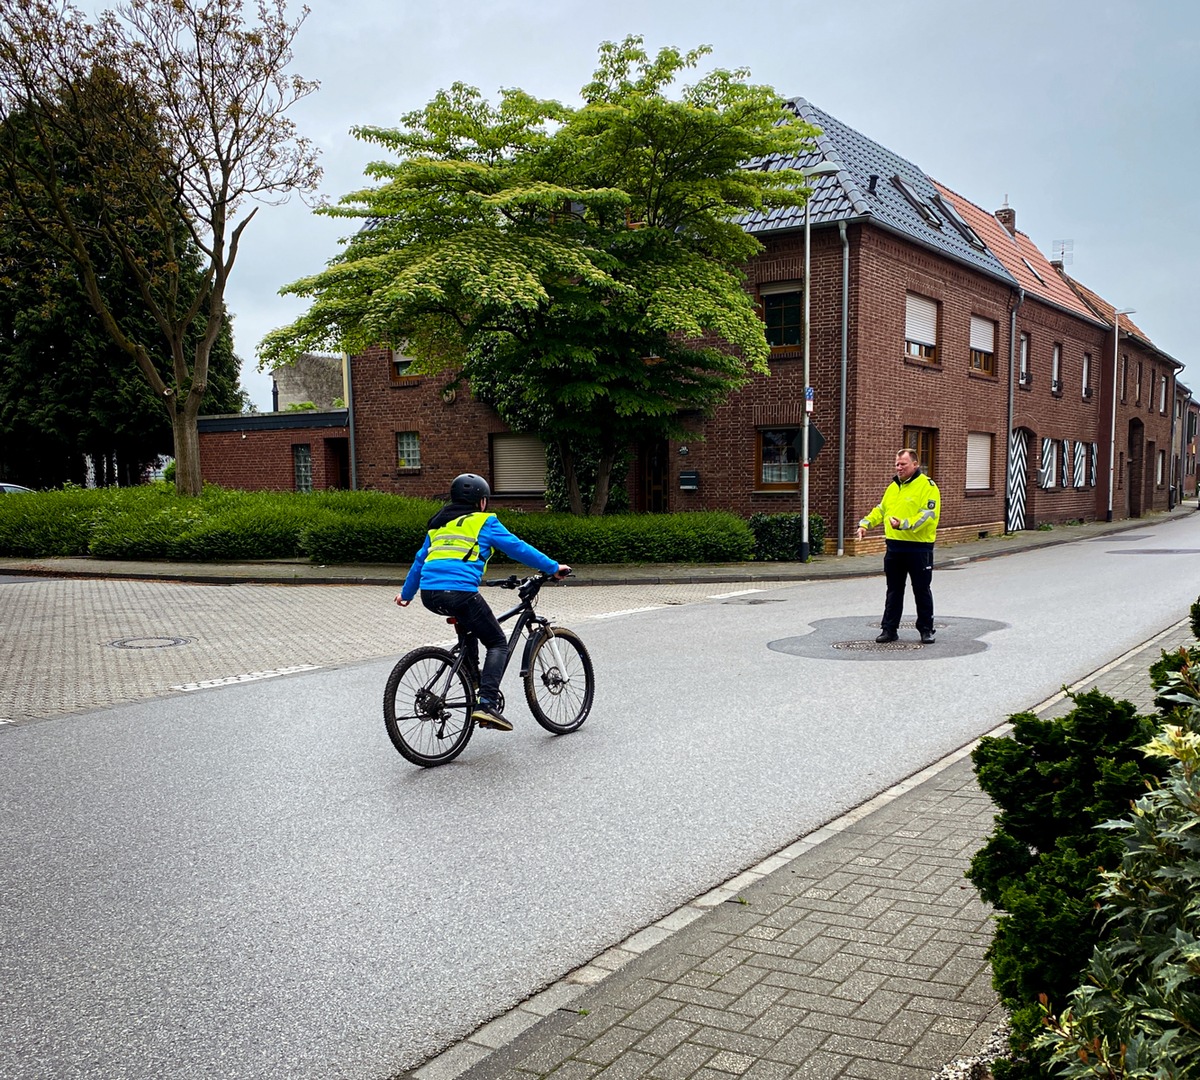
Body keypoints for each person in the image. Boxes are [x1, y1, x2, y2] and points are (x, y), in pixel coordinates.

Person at [395, 473, 570, 731]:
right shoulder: (484, 522)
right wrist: (553, 567)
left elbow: (420, 560)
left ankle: (473, 682)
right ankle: (486, 703)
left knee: (471, 633)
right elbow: (517, 547)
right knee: (497, 641)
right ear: (482, 502)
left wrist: (406, 594)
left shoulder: (439, 525)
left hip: (429, 594)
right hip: (459, 591)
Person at [855, 448, 940, 645]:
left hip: (919, 547)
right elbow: (881, 510)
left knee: (921, 589)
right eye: (897, 464)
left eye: (903, 464)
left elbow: (927, 516)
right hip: (894, 548)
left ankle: (926, 630)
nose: (899, 467)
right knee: (894, 590)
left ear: (915, 464)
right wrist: (865, 524)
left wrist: (903, 524)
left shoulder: (928, 486)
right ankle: (889, 629)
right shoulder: (893, 487)